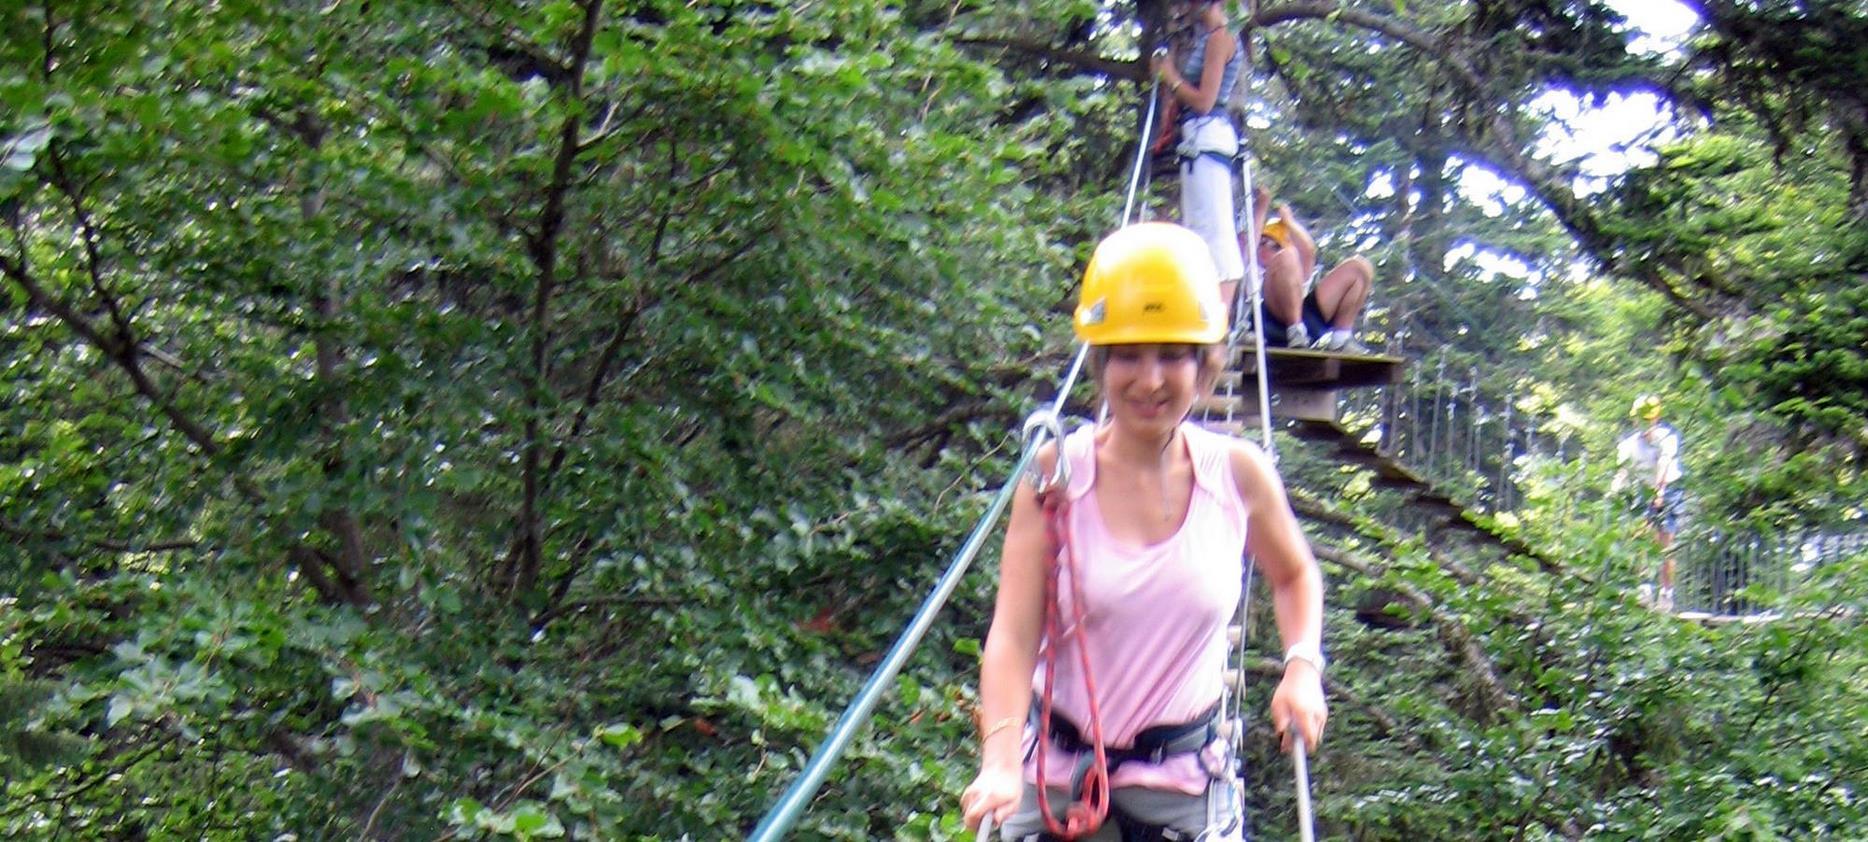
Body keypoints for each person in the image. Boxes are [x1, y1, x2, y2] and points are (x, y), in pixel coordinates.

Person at [961, 223, 1328, 840]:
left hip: (1184, 788)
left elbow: (1294, 574)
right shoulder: (1054, 477)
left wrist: (1302, 666)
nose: (1150, 379)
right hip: (1054, 780)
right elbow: (1013, 633)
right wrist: (999, 763)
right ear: (1101, 362)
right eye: (1128, 354)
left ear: (1203, 363)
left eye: (1171, 354)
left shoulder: (1237, 476)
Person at [1150, 1, 1247, 320]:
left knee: (1214, 230)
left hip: (1207, 137)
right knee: (1200, 231)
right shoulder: (1211, 38)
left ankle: (1217, 321)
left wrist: (1170, 77)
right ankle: (1205, 314)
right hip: (1197, 142)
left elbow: (1205, 101)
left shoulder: (1221, 38)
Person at [1242, 188, 1374, 352]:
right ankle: (1295, 329)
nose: (1267, 249)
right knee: (1287, 257)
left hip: (1305, 322)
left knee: (1359, 267)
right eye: (1263, 243)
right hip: (1267, 321)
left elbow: (1308, 252)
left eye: (1275, 245)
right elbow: (1248, 245)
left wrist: (1289, 223)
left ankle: (1341, 338)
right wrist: (1262, 206)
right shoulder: (1251, 268)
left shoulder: (1293, 263)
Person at [1612, 395, 1685, 612]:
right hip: (1642, 492)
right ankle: (1644, 588)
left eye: (1648, 419)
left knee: (1665, 544)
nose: (1644, 423)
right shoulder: (1628, 445)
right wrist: (1615, 489)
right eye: (1641, 419)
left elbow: (1664, 463)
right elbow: (1623, 470)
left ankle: (1666, 594)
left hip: (1669, 490)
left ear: (1656, 418)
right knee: (1642, 537)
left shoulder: (1667, 438)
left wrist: (1660, 493)